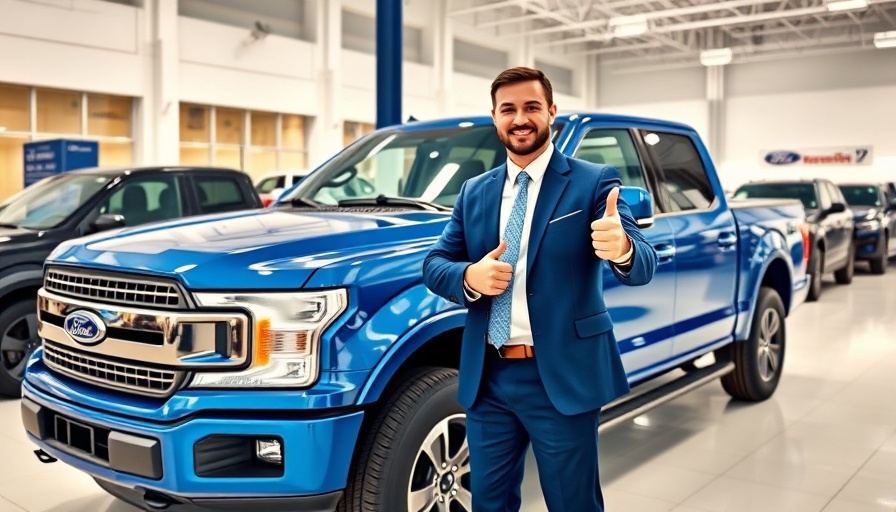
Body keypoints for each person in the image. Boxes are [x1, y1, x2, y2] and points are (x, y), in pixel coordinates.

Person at [422, 66, 658, 512]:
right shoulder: (474, 192)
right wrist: (469, 277)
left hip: (560, 378)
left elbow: (643, 264)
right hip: (488, 378)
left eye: (531, 107)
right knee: (488, 504)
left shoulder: (592, 181)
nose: (520, 119)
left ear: (551, 111)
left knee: (573, 503)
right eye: (507, 109)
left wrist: (623, 246)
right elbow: (434, 264)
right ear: (494, 117)